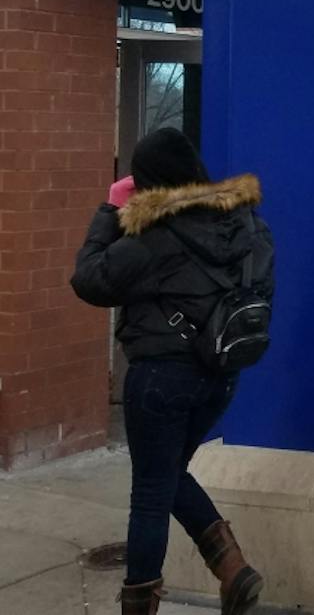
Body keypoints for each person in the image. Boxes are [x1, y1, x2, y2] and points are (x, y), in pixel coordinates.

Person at [71, 128, 273, 615]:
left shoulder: (157, 235)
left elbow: (90, 279)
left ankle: (142, 602)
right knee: (167, 474)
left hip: (162, 378)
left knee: (151, 493)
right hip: (222, 375)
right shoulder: (249, 226)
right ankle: (232, 570)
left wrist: (109, 209)